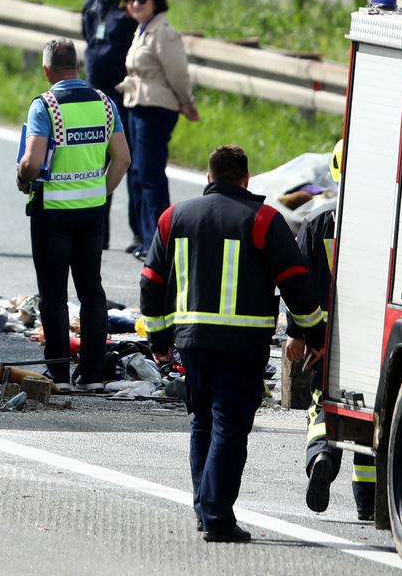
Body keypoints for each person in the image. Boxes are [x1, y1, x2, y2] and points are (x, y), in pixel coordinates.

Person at [140, 145, 326, 544]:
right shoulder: (263, 219)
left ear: (209, 177)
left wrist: (158, 339)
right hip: (242, 344)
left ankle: (204, 510)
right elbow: (296, 282)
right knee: (229, 425)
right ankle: (217, 517)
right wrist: (313, 332)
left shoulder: (174, 216)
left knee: (202, 421)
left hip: (191, 341)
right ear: (246, 179)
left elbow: (151, 281)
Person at [16, 39, 131, 391]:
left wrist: (23, 176)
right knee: (91, 291)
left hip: (52, 212)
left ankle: (59, 373)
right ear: (77, 67)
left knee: (53, 294)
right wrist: (101, 191)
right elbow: (123, 158)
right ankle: (93, 374)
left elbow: (32, 162)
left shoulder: (45, 106)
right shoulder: (105, 103)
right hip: (91, 212)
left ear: (47, 70)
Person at [288, 139, 375, 520]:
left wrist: (298, 333)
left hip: (326, 338)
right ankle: (368, 502)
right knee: (371, 413)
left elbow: (299, 284)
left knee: (324, 404)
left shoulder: (317, 221)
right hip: (373, 338)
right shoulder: (386, 221)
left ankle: (322, 455)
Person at [120, 0, 198, 259]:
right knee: (138, 173)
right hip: (137, 105)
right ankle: (146, 239)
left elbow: (178, 73)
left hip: (155, 108)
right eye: (131, 0)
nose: (135, 4)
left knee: (150, 174)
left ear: (156, 2)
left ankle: (159, 243)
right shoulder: (142, 30)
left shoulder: (163, 32)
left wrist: (187, 103)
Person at [80, 0, 138, 252]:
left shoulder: (133, 1)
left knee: (128, 162)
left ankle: (141, 235)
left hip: (123, 96)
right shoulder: (93, 2)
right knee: (95, 163)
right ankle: (98, 232)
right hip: (95, 97)